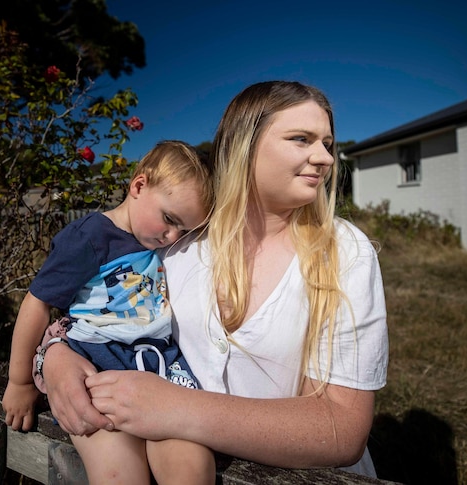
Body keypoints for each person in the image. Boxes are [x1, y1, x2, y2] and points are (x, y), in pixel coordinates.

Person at [37, 81, 389, 478]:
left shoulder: (344, 252)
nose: (324, 157)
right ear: (244, 143)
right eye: (301, 139)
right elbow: (104, 310)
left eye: (327, 143)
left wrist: (178, 409)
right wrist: (56, 355)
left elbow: (341, 429)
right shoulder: (177, 239)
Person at [3, 140, 216, 484]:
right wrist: (20, 380)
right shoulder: (90, 238)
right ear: (138, 185)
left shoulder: (161, 244)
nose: (173, 235)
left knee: (190, 467)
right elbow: (37, 302)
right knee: (119, 473)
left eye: (185, 230)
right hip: (97, 366)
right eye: (168, 219)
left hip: (161, 367)